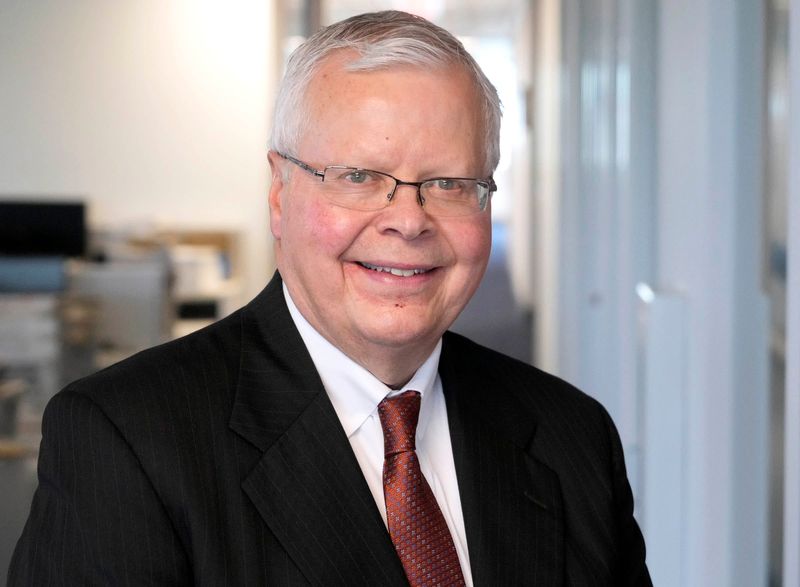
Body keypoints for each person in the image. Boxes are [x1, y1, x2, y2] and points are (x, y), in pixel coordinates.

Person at [9, 10, 651, 586]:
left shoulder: (573, 437)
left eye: (451, 183)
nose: (409, 220)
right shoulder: (126, 441)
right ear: (280, 195)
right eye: (359, 177)